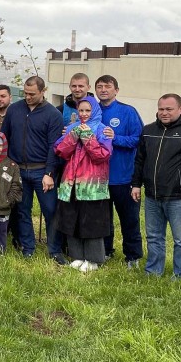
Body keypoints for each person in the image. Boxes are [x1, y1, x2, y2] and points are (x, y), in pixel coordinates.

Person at [131, 94, 181, 279]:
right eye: (161, 109)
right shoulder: (148, 130)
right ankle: (153, 272)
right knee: (153, 237)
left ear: (180, 109)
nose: (164, 113)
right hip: (152, 196)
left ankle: (180, 275)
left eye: (169, 109)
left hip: (180, 197)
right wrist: (136, 184)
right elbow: (140, 160)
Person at [0, 76, 65, 263]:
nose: (28, 97)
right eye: (25, 93)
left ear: (43, 91)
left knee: (50, 211)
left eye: (32, 94)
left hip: (42, 171)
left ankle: (55, 250)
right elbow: (4, 137)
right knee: (22, 210)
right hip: (18, 170)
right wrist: (7, 165)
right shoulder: (14, 110)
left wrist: (49, 173)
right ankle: (27, 247)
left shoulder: (53, 115)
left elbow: (55, 146)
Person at [54, 98, 112, 272]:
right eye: (81, 110)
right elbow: (60, 151)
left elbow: (103, 155)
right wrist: (73, 135)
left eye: (87, 110)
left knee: (92, 222)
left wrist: (87, 137)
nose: (84, 114)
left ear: (94, 111)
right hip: (71, 182)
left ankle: (94, 259)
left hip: (92, 185)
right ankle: (77, 255)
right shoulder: (71, 128)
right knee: (71, 220)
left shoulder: (103, 129)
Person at [95, 75, 144, 268]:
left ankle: (133, 256)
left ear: (116, 90)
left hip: (124, 178)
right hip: (99, 178)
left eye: (107, 86)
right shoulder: (92, 112)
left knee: (129, 219)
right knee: (103, 219)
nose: (103, 90)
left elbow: (139, 140)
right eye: (100, 86)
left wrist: (115, 138)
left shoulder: (128, 112)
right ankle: (106, 251)